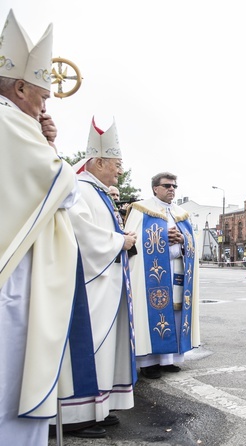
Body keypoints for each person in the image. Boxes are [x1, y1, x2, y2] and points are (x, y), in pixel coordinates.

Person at [0, 10, 96, 444]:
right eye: (42, 94)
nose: (46, 104)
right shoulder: (9, 123)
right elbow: (64, 188)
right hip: (15, 278)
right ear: (18, 87)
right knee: (14, 379)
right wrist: (48, 143)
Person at [61, 118, 138, 438]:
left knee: (104, 350)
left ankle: (98, 406)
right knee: (88, 348)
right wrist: (121, 241)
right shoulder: (80, 189)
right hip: (88, 288)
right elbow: (82, 234)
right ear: (99, 161)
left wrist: (121, 238)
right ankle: (75, 415)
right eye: (117, 164)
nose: (120, 170)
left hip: (106, 287)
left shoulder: (97, 190)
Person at [125, 172, 201, 380]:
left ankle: (168, 359)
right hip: (151, 273)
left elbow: (193, 244)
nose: (171, 189)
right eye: (167, 185)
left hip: (177, 269)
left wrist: (183, 239)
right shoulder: (141, 209)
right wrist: (160, 236)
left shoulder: (181, 213)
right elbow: (131, 240)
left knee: (175, 315)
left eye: (174, 186)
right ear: (155, 188)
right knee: (152, 315)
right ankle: (149, 362)